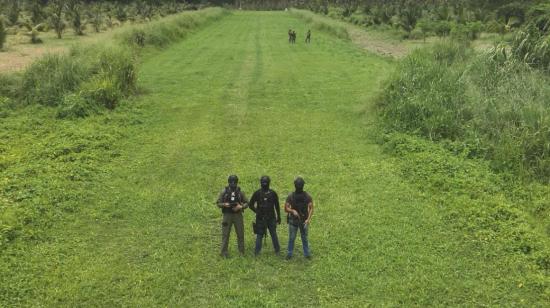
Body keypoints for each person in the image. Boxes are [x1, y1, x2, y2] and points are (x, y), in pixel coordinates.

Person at [216, 175, 249, 258]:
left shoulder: (240, 192)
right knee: (225, 234)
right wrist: (224, 204)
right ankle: (223, 252)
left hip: (238, 215)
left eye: (234, 182)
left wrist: (240, 207)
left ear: (237, 182)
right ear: (229, 182)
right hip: (227, 215)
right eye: (231, 182)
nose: (233, 184)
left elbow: (247, 203)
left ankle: (241, 252)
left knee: (240, 234)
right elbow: (218, 203)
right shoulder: (224, 191)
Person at [249, 176, 281, 256]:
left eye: (265, 182)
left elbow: (277, 205)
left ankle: (276, 250)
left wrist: (278, 216)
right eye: (263, 182)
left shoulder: (272, 193)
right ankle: (258, 252)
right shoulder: (259, 193)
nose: (264, 184)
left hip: (269, 217)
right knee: (262, 235)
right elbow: (250, 205)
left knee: (271, 234)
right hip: (263, 217)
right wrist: (257, 212)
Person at [284, 177, 314, 259]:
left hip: (304, 221)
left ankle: (307, 254)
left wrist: (308, 219)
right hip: (294, 220)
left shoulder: (307, 196)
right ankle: (289, 254)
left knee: (304, 238)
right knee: (292, 238)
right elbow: (286, 208)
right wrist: (292, 211)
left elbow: (311, 208)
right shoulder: (291, 196)